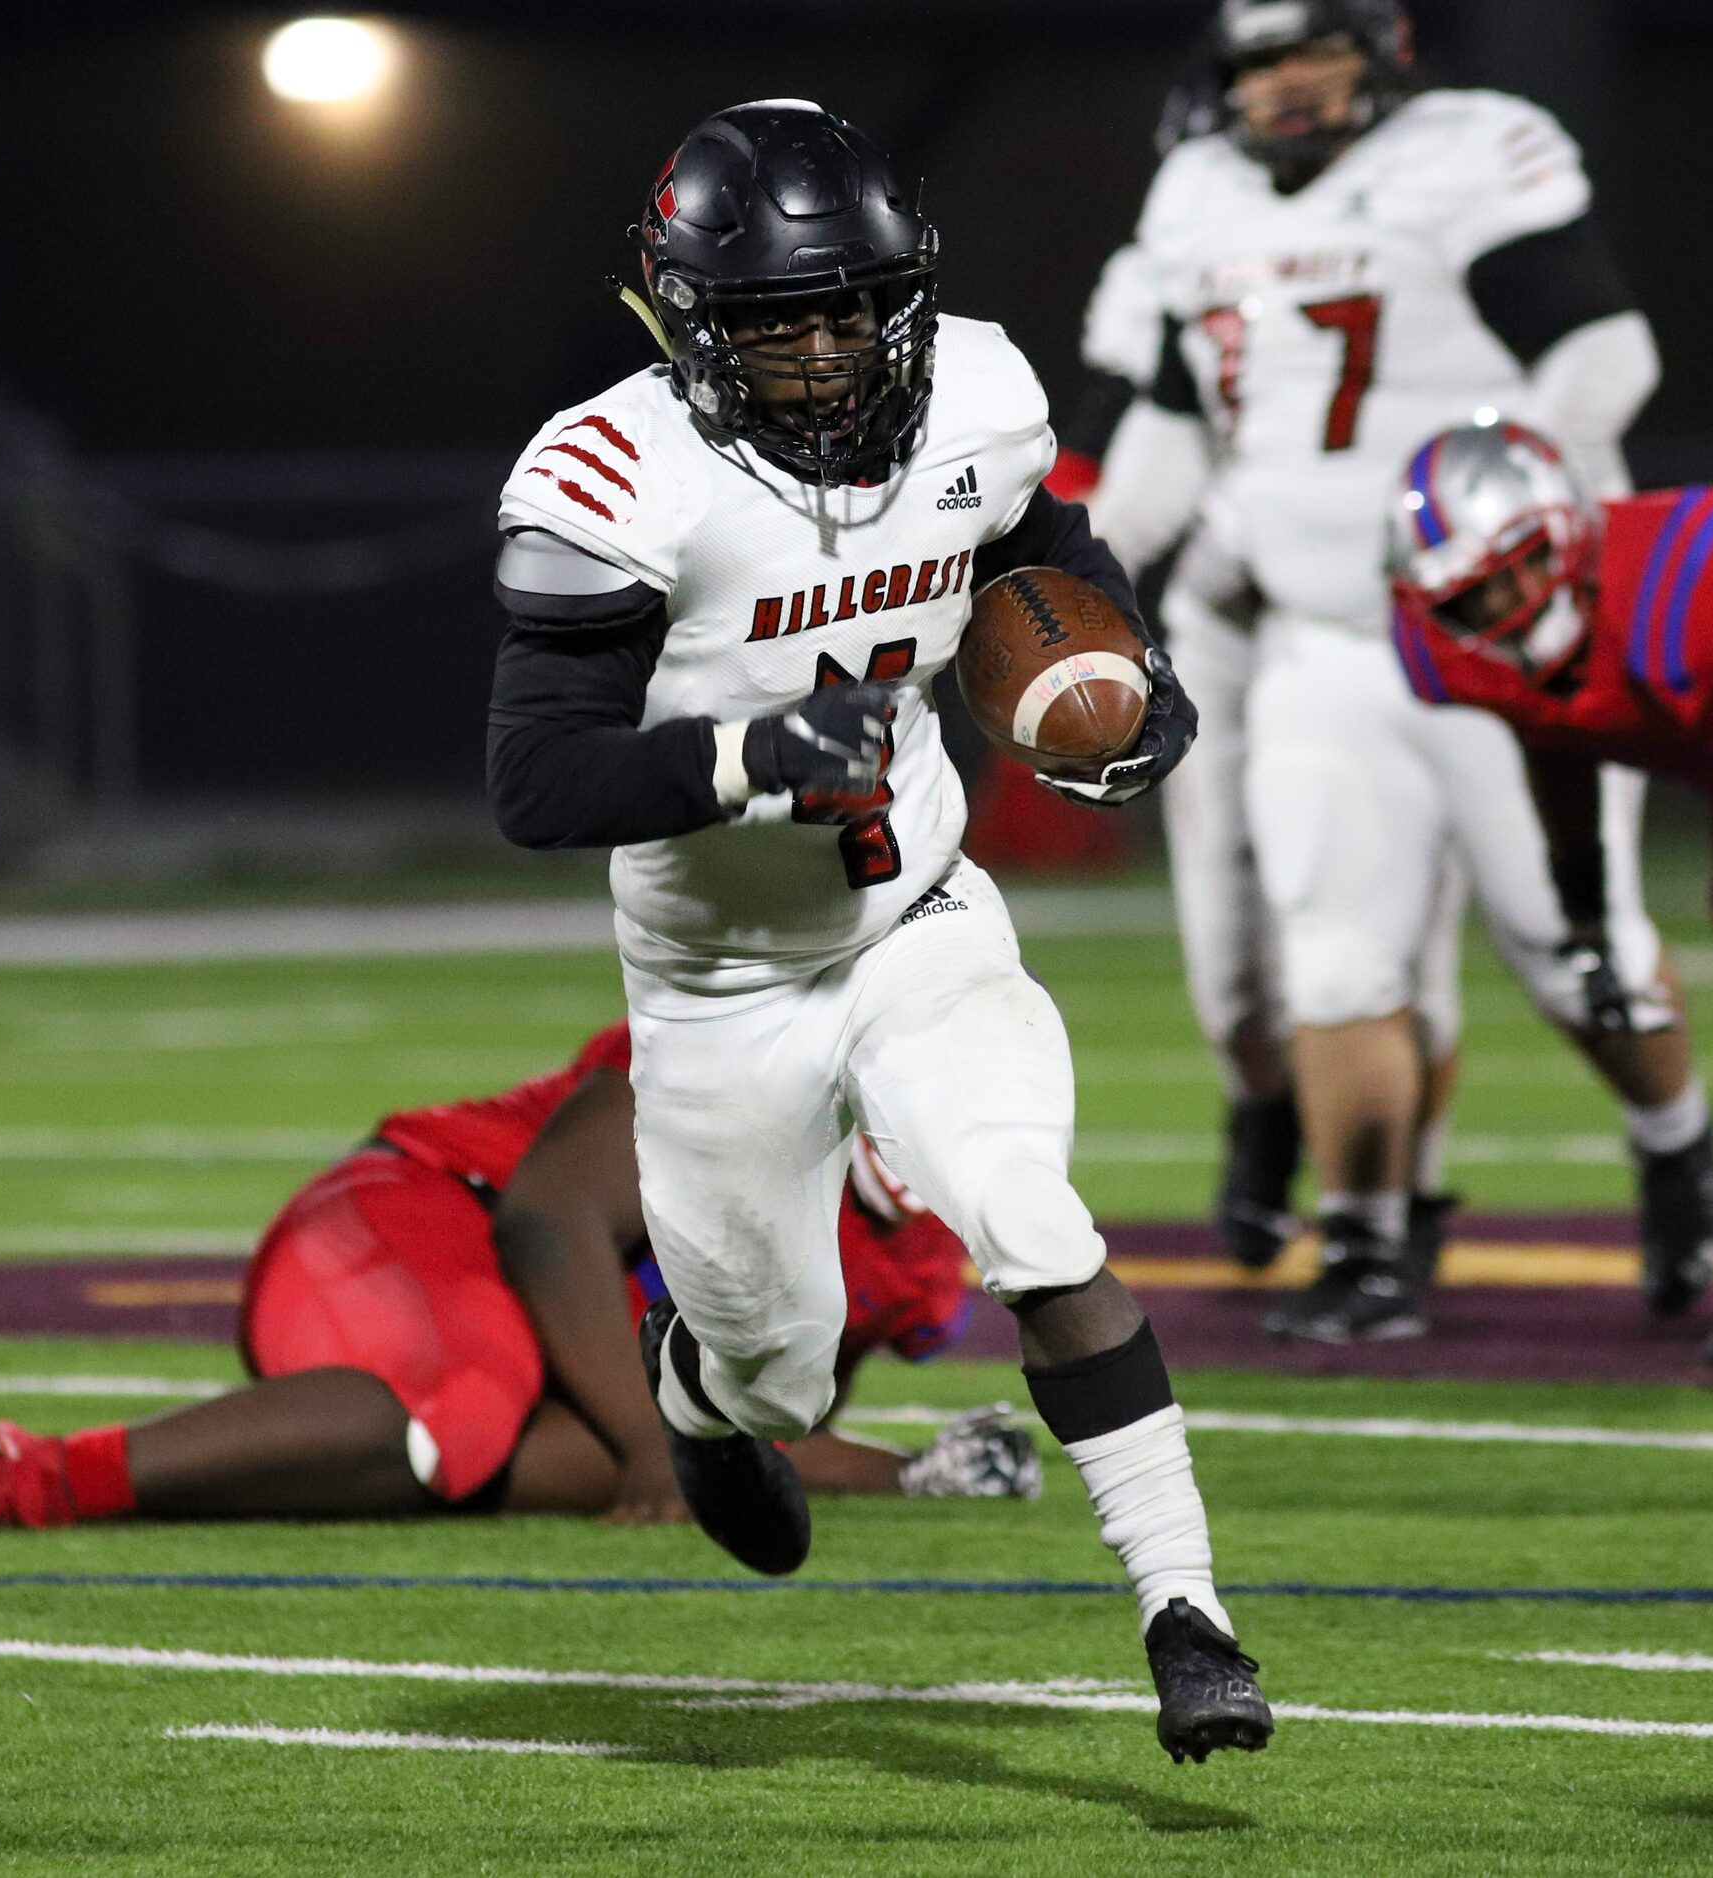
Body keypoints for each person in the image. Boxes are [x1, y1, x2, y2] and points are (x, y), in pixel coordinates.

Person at [485, 101, 1271, 1764]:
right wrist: (747, 755)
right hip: (717, 991)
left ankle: (1188, 1613)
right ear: (692, 321)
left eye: (853, 306)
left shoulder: (976, 393)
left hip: (915, 910)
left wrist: (1127, 682)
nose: (829, 349)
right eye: (779, 319)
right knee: (777, 1375)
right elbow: (537, 778)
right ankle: (695, 1394)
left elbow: (1047, 549)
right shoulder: (614, 477)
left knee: (1025, 1211)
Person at [1076, 0, 1713, 1338]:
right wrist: (1077, 578)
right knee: (1335, 962)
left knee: (1571, 951)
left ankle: (1674, 1138)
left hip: (1504, 633)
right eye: (1259, 63)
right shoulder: (1198, 195)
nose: (1286, 86)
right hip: (1325, 637)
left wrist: (1495, 500)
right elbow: (1173, 426)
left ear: (1380, 52)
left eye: (1310, 52)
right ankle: (1366, 1248)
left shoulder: (1465, 153)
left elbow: (1607, 351)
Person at [0, 1024, 1039, 1531]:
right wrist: (655, 1445)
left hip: (502, 1324)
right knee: (479, 1406)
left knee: (536, 1450)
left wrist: (903, 1475)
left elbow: (748, 1425)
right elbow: (547, 1225)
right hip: (411, 1218)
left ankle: (139, 1481)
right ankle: (45, 1475)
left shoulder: (909, 1251)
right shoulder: (744, 1067)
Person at [1386, 419, 1713, 1385]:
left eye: (1515, 570)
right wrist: (1586, 917)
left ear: (1567, 529)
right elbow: (1557, 739)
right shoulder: (1459, 659)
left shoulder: (1688, 583)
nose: (1503, 610)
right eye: (1472, 598)